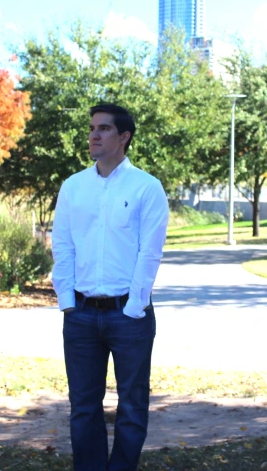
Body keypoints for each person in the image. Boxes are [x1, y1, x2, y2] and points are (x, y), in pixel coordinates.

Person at [51, 103, 169, 471]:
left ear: (124, 137)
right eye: (92, 128)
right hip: (82, 315)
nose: (94, 135)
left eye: (103, 129)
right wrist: (67, 300)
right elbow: (63, 245)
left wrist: (134, 307)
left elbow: (149, 253)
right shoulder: (73, 187)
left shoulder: (146, 188)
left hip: (129, 316)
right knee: (83, 406)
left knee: (132, 406)